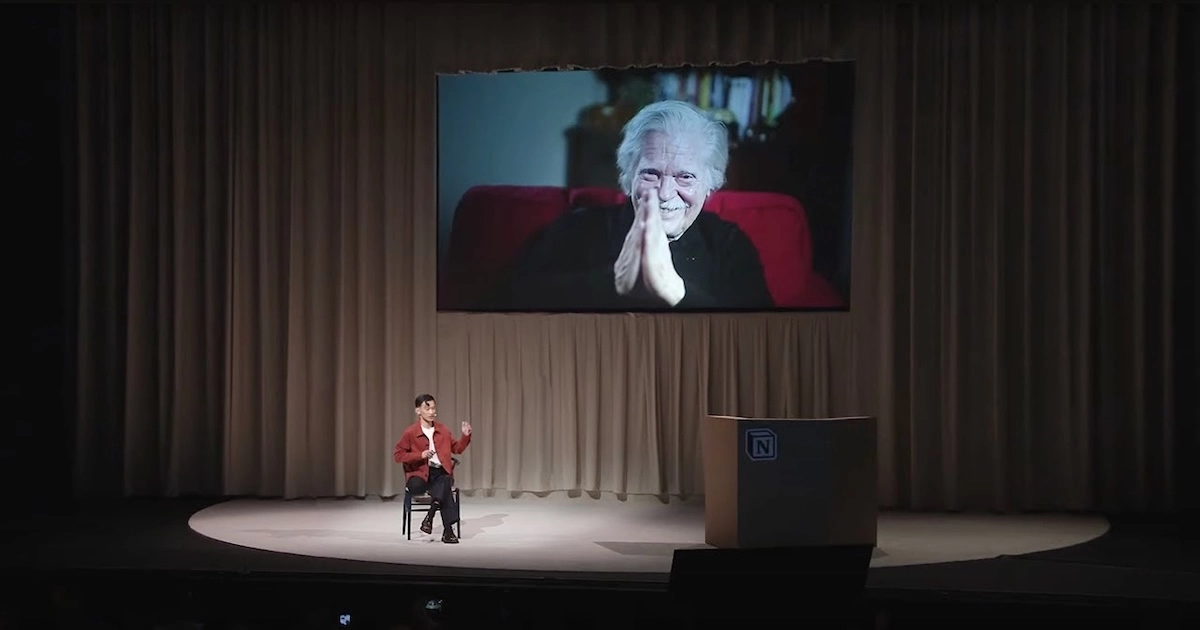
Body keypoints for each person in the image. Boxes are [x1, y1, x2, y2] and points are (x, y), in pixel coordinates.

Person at [489, 99, 774, 311]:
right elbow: (503, 302)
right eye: (651, 173)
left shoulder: (729, 244)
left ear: (710, 184)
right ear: (629, 177)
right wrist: (613, 282)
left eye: (685, 177)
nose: (665, 193)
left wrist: (674, 291)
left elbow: (760, 339)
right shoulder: (579, 227)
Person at [393, 394, 472, 544]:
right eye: (427, 408)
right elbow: (398, 455)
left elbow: (457, 449)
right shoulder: (410, 432)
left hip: (439, 472)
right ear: (418, 411)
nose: (431, 412)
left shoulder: (443, 430)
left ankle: (433, 518)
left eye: (433, 408)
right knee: (439, 488)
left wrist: (465, 436)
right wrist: (420, 455)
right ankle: (445, 528)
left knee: (445, 481)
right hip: (419, 473)